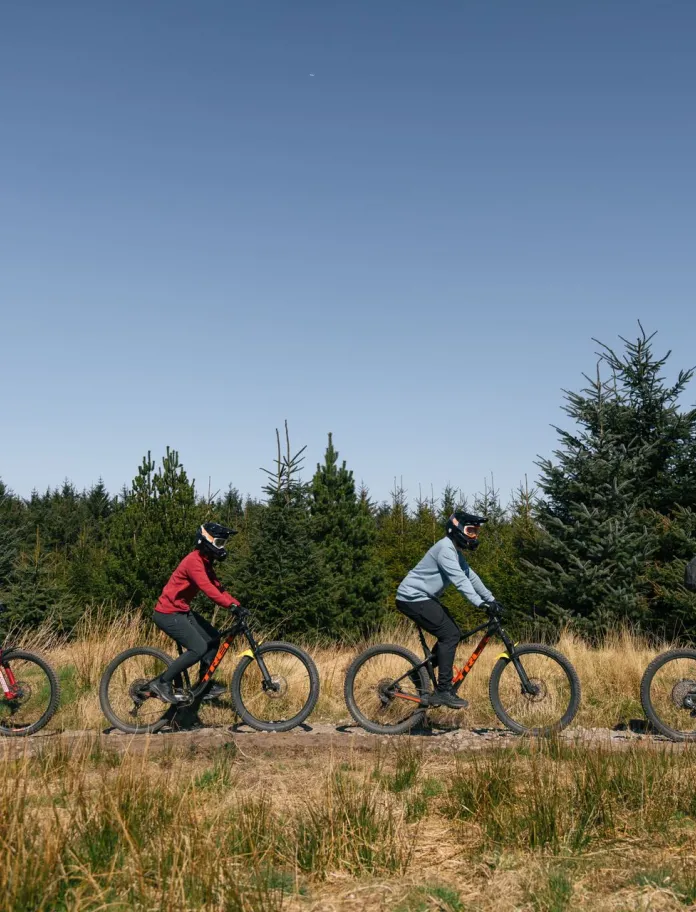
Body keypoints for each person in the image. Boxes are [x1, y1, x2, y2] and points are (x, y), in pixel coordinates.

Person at [396, 511, 502, 710]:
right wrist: (481, 603)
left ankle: (418, 674)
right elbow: (460, 581)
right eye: (470, 531)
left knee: (453, 633)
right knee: (450, 634)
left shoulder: (454, 551)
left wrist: (491, 599)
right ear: (456, 528)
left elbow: (470, 576)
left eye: (476, 532)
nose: (474, 536)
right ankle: (443, 691)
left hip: (423, 597)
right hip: (411, 598)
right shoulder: (445, 549)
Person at [148, 522, 241, 704]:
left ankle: (204, 686)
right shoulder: (193, 561)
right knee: (198, 648)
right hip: (167, 613)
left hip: (181, 610)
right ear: (207, 541)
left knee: (213, 639)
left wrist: (238, 605)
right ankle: (162, 683)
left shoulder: (206, 562)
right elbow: (208, 589)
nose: (222, 548)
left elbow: (218, 587)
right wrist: (230, 606)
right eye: (219, 543)